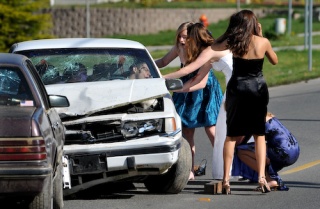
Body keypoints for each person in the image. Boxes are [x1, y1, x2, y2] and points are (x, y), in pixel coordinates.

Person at [208, 10, 278, 194]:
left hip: (237, 89)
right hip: (257, 89)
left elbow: (214, 47)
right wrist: (261, 36)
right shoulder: (263, 42)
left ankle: (225, 180)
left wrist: (228, 33)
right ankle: (262, 177)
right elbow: (275, 61)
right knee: (259, 135)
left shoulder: (234, 42)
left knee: (231, 135)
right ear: (255, 24)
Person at [156, 22, 224, 180]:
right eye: (179, 36)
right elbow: (163, 62)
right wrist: (147, 63)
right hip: (185, 85)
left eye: (185, 37)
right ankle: (189, 169)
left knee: (211, 128)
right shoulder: (178, 48)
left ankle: (227, 166)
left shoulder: (202, 51)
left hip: (204, 88)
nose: (181, 40)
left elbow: (198, 77)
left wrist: (164, 79)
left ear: (193, 38)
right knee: (186, 130)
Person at [232, 112, 300, 191]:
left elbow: (238, 142)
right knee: (247, 148)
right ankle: (263, 175)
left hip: (283, 152)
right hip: (294, 149)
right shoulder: (265, 114)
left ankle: (270, 179)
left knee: (240, 151)